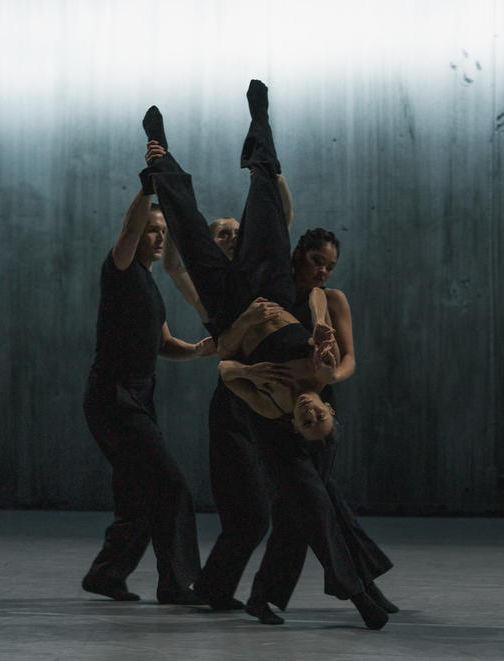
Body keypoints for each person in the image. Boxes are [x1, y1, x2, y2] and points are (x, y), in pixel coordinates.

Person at [141, 79, 388, 629]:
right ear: (321, 407)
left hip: (231, 310)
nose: (308, 410)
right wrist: (320, 331)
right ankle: (261, 130)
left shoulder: (273, 406)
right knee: (266, 197)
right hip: (269, 290)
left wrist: (247, 362)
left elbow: (228, 367)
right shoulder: (316, 369)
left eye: (307, 416)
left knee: (183, 214)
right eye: (315, 411)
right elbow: (284, 227)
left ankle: (160, 157)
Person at [247, 228, 397, 619]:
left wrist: (331, 378)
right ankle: (359, 592)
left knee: (306, 506)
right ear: (299, 255)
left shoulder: (332, 300)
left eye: (330, 266)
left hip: (320, 417)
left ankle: (264, 595)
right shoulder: (271, 300)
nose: (323, 272)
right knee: (312, 503)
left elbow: (349, 360)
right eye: (318, 261)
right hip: (275, 418)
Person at [81, 186, 216, 605]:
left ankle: (106, 574)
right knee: (170, 485)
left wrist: (197, 350)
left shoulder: (149, 285)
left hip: (139, 396)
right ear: (137, 234)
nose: (159, 238)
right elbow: (127, 228)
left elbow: (162, 343)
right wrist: (147, 188)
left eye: (163, 232)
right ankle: (176, 583)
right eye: (152, 230)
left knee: (140, 494)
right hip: (113, 396)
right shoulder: (119, 269)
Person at [158, 190, 289, 612]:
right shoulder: (209, 290)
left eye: (237, 232)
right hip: (235, 400)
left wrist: (273, 171)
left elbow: (282, 219)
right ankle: (213, 587)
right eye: (223, 234)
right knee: (251, 513)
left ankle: (214, 587)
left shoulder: (263, 276)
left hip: (274, 400)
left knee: (279, 508)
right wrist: (175, 210)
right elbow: (174, 264)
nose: (233, 238)